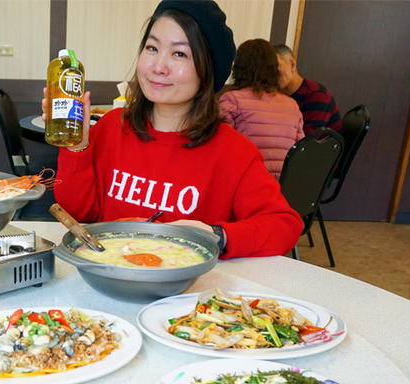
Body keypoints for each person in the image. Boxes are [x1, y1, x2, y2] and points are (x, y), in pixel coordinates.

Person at [46, 0, 302, 259]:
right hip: (108, 274)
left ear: (207, 70)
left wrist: (217, 235)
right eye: (152, 48)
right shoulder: (112, 126)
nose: (158, 66)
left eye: (179, 54)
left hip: (189, 283)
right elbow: (79, 213)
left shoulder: (235, 152)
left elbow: (284, 225)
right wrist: (77, 146)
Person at [218, 39, 304, 180]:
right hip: (281, 187)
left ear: (238, 68)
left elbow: (219, 148)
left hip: (247, 183)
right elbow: (301, 152)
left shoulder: (232, 100)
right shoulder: (292, 105)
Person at [274, 44, 342, 134]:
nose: (271, 74)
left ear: (292, 64)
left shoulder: (317, 95)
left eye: (275, 68)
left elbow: (308, 139)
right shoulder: (276, 94)